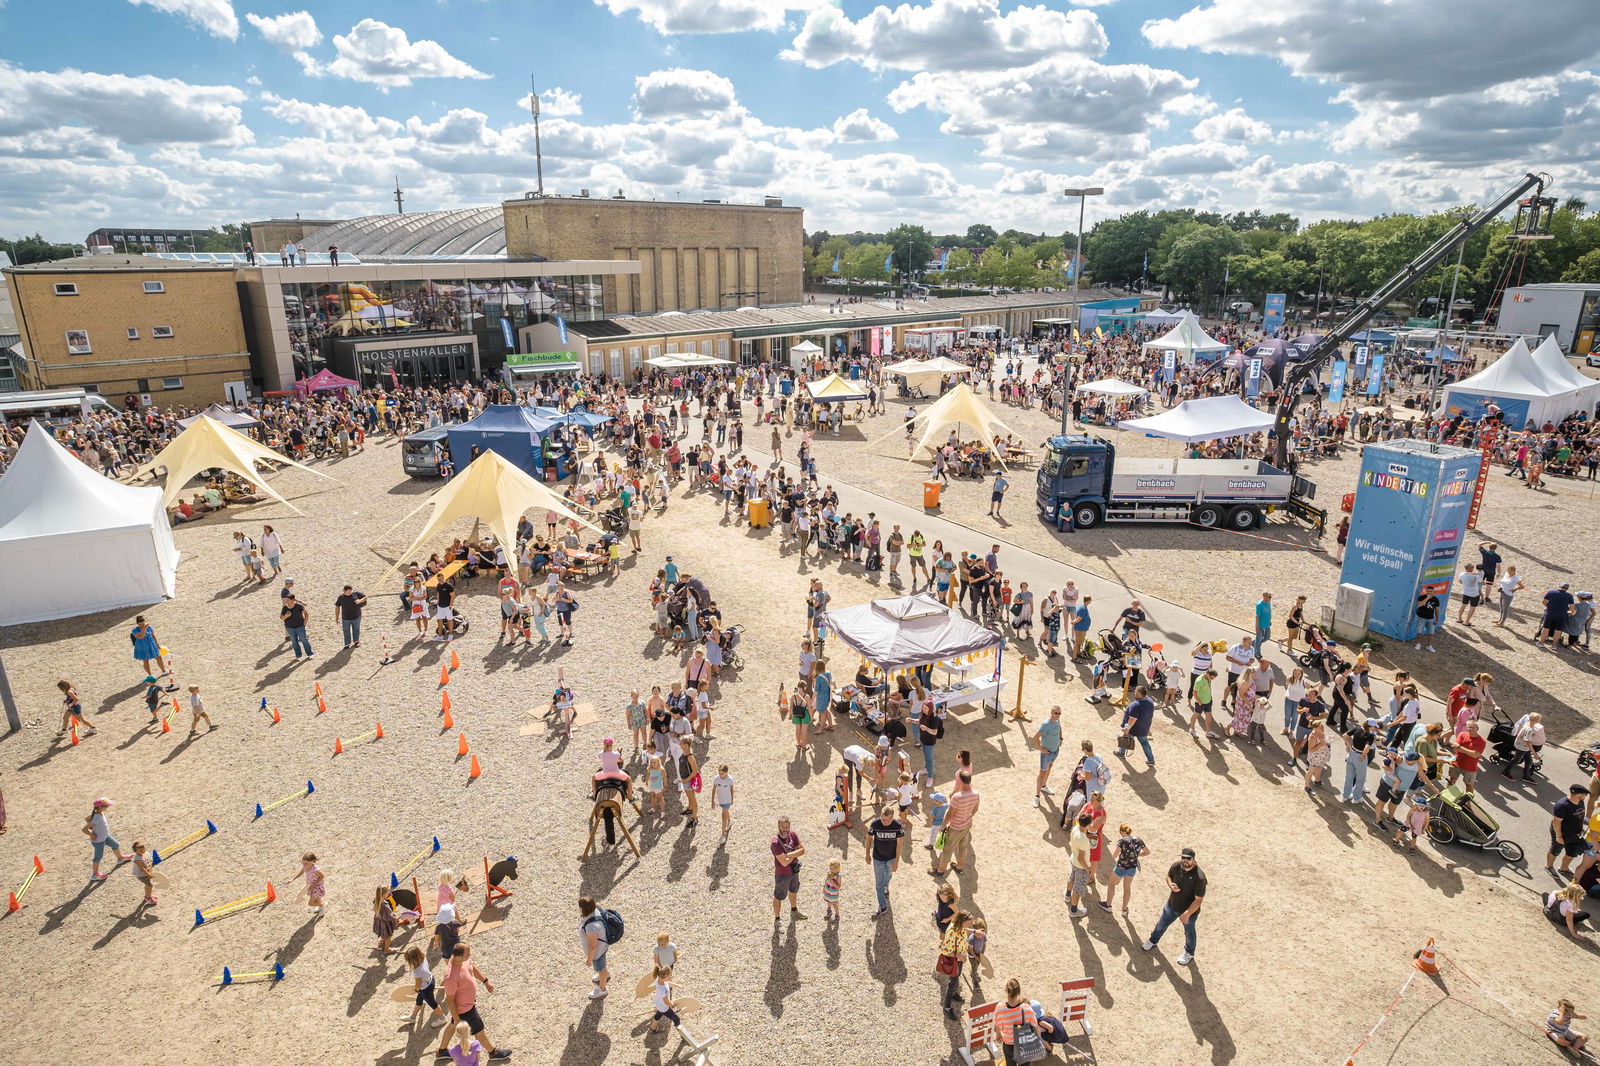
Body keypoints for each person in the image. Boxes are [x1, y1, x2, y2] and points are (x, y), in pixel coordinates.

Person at [435, 944, 512, 1060]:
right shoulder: (450, 976)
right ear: (458, 957)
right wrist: (457, 1019)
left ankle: (442, 1051)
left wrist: (485, 981)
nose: (470, 956)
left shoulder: (463, 960)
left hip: (468, 1005)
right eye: (467, 954)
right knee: (479, 1031)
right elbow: (449, 1000)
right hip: (465, 1010)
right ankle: (493, 1053)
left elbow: (472, 967)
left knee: (452, 1026)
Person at [1141, 847, 1205, 965]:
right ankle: (1153, 940)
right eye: (1183, 858)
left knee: (1189, 933)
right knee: (1161, 924)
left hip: (1188, 912)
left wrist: (1187, 914)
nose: (1185, 861)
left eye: (1188, 859)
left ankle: (1189, 953)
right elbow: (1168, 876)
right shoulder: (1176, 866)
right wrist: (1171, 885)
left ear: (1194, 860)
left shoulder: (1199, 878)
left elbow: (1198, 900)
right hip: (1172, 905)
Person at [932, 769, 980, 876]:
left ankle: (940, 870)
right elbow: (975, 809)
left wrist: (943, 825)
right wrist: (966, 817)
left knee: (947, 849)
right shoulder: (976, 794)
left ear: (961, 781)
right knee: (963, 846)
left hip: (955, 828)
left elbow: (950, 814)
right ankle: (959, 867)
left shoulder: (957, 797)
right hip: (967, 824)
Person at [866, 803, 904, 919]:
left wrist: (897, 861)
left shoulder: (897, 826)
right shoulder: (875, 824)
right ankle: (882, 907)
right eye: (883, 819)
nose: (884, 822)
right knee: (878, 884)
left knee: (888, 876)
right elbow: (868, 838)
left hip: (891, 859)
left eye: (887, 820)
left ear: (892, 818)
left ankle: (886, 886)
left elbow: (899, 845)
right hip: (878, 858)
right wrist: (867, 854)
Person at [1102, 823, 1149, 915]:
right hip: (1132, 868)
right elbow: (1147, 852)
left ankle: (1108, 905)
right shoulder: (1139, 840)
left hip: (1121, 867)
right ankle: (1124, 909)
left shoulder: (1122, 841)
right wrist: (1137, 855)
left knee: (1111, 884)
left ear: (1122, 832)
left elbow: (1114, 855)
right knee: (1127, 888)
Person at [992, 978, 1039, 1065]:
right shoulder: (1027, 1008)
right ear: (1019, 992)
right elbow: (1036, 1026)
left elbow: (997, 1025)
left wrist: (998, 1034)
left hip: (1009, 1044)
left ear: (1006, 991)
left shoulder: (1000, 1008)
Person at [83, 797, 133, 879]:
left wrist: (93, 827)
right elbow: (84, 829)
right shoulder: (97, 817)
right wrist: (92, 835)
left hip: (105, 836)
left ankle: (120, 858)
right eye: (106, 806)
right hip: (99, 841)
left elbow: (87, 818)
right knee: (98, 857)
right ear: (100, 807)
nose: (108, 807)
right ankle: (95, 874)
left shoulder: (98, 813)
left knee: (116, 844)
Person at [1550, 784, 1592, 876]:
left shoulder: (1580, 801)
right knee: (1555, 851)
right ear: (1579, 794)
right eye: (1585, 794)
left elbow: (1580, 816)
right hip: (1562, 833)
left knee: (1572, 853)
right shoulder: (1562, 805)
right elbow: (1556, 822)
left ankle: (1563, 869)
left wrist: (1580, 829)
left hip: (1575, 834)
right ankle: (1549, 866)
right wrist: (1559, 836)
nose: (1586, 796)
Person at [771, 816, 806, 920]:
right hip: (782, 875)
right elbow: (784, 863)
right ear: (778, 827)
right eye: (783, 827)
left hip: (794, 871)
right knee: (779, 897)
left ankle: (794, 911)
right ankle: (777, 919)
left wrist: (788, 854)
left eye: (787, 827)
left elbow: (803, 850)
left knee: (794, 890)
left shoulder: (793, 834)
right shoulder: (775, 843)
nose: (785, 829)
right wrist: (795, 852)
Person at [404, 945, 448, 1028]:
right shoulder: (423, 957)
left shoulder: (417, 970)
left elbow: (418, 984)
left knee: (433, 1004)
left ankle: (442, 1018)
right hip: (431, 979)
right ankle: (413, 1017)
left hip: (425, 988)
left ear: (412, 960)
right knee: (419, 1000)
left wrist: (416, 990)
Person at [937, 909, 970, 1018]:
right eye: (968, 922)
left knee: (957, 976)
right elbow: (945, 951)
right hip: (955, 960)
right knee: (952, 982)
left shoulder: (961, 927)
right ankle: (947, 1007)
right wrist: (960, 956)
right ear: (961, 921)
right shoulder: (952, 932)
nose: (969, 925)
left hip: (960, 960)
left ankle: (954, 993)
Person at [578, 896, 611, 999]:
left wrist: (589, 959)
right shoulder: (595, 911)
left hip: (598, 952)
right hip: (603, 946)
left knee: (601, 968)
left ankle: (602, 989)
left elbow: (593, 947)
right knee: (602, 967)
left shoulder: (591, 927)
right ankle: (605, 974)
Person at [1118, 685, 1156, 768]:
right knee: (1144, 742)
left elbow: (1132, 719)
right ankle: (1151, 760)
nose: (1134, 694)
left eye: (1136, 693)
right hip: (1144, 728)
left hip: (1134, 728)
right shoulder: (1150, 701)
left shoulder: (1136, 705)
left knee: (1126, 739)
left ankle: (1121, 753)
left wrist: (1127, 728)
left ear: (1139, 695)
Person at [1032, 706, 1063, 807]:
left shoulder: (1057, 721)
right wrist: (1041, 749)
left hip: (1055, 751)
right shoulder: (1046, 724)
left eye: (1059, 713)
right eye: (1055, 713)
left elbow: (1060, 727)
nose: (1057, 715)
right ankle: (1037, 796)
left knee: (1050, 767)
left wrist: (1061, 738)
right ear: (1051, 712)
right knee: (1042, 773)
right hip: (1047, 753)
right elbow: (1036, 737)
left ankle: (1043, 786)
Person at [1065, 812, 1094, 918]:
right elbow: (1081, 858)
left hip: (1073, 860)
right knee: (1077, 890)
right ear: (1086, 825)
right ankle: (1073, 910)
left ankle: (1067, 895)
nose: (1091, 825)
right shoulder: (1084, 840)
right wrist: (1088, 869)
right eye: (1090, 823)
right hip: (1081, 866)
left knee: (1071, 878)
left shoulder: (1075, 828)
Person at [334, 585, 367, 649]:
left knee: (356, 629)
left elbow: (365, 597)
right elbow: (337, 607)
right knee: (346, 631)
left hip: (356, 616)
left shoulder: (356, 594)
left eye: (350, 591)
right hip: (345, 618)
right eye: (348, 591)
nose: (349, 593)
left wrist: (360, 601)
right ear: (344, 591)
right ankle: (347, 643)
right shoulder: (341, 597)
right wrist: (337, 618)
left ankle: (356, 641)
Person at [281, 594, 313, 661]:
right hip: (290, 628)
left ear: (293, 600)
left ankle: (310, 654)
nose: (286, 601)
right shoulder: (285, 608)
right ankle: (298, 656)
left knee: (304, 641)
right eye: (286, 600)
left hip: (300, 627)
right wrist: (286, 616)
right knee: (294, 642)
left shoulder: (299, 606)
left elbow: (306, 614)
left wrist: (304, 625)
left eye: (288, 600)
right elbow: (281, 617)